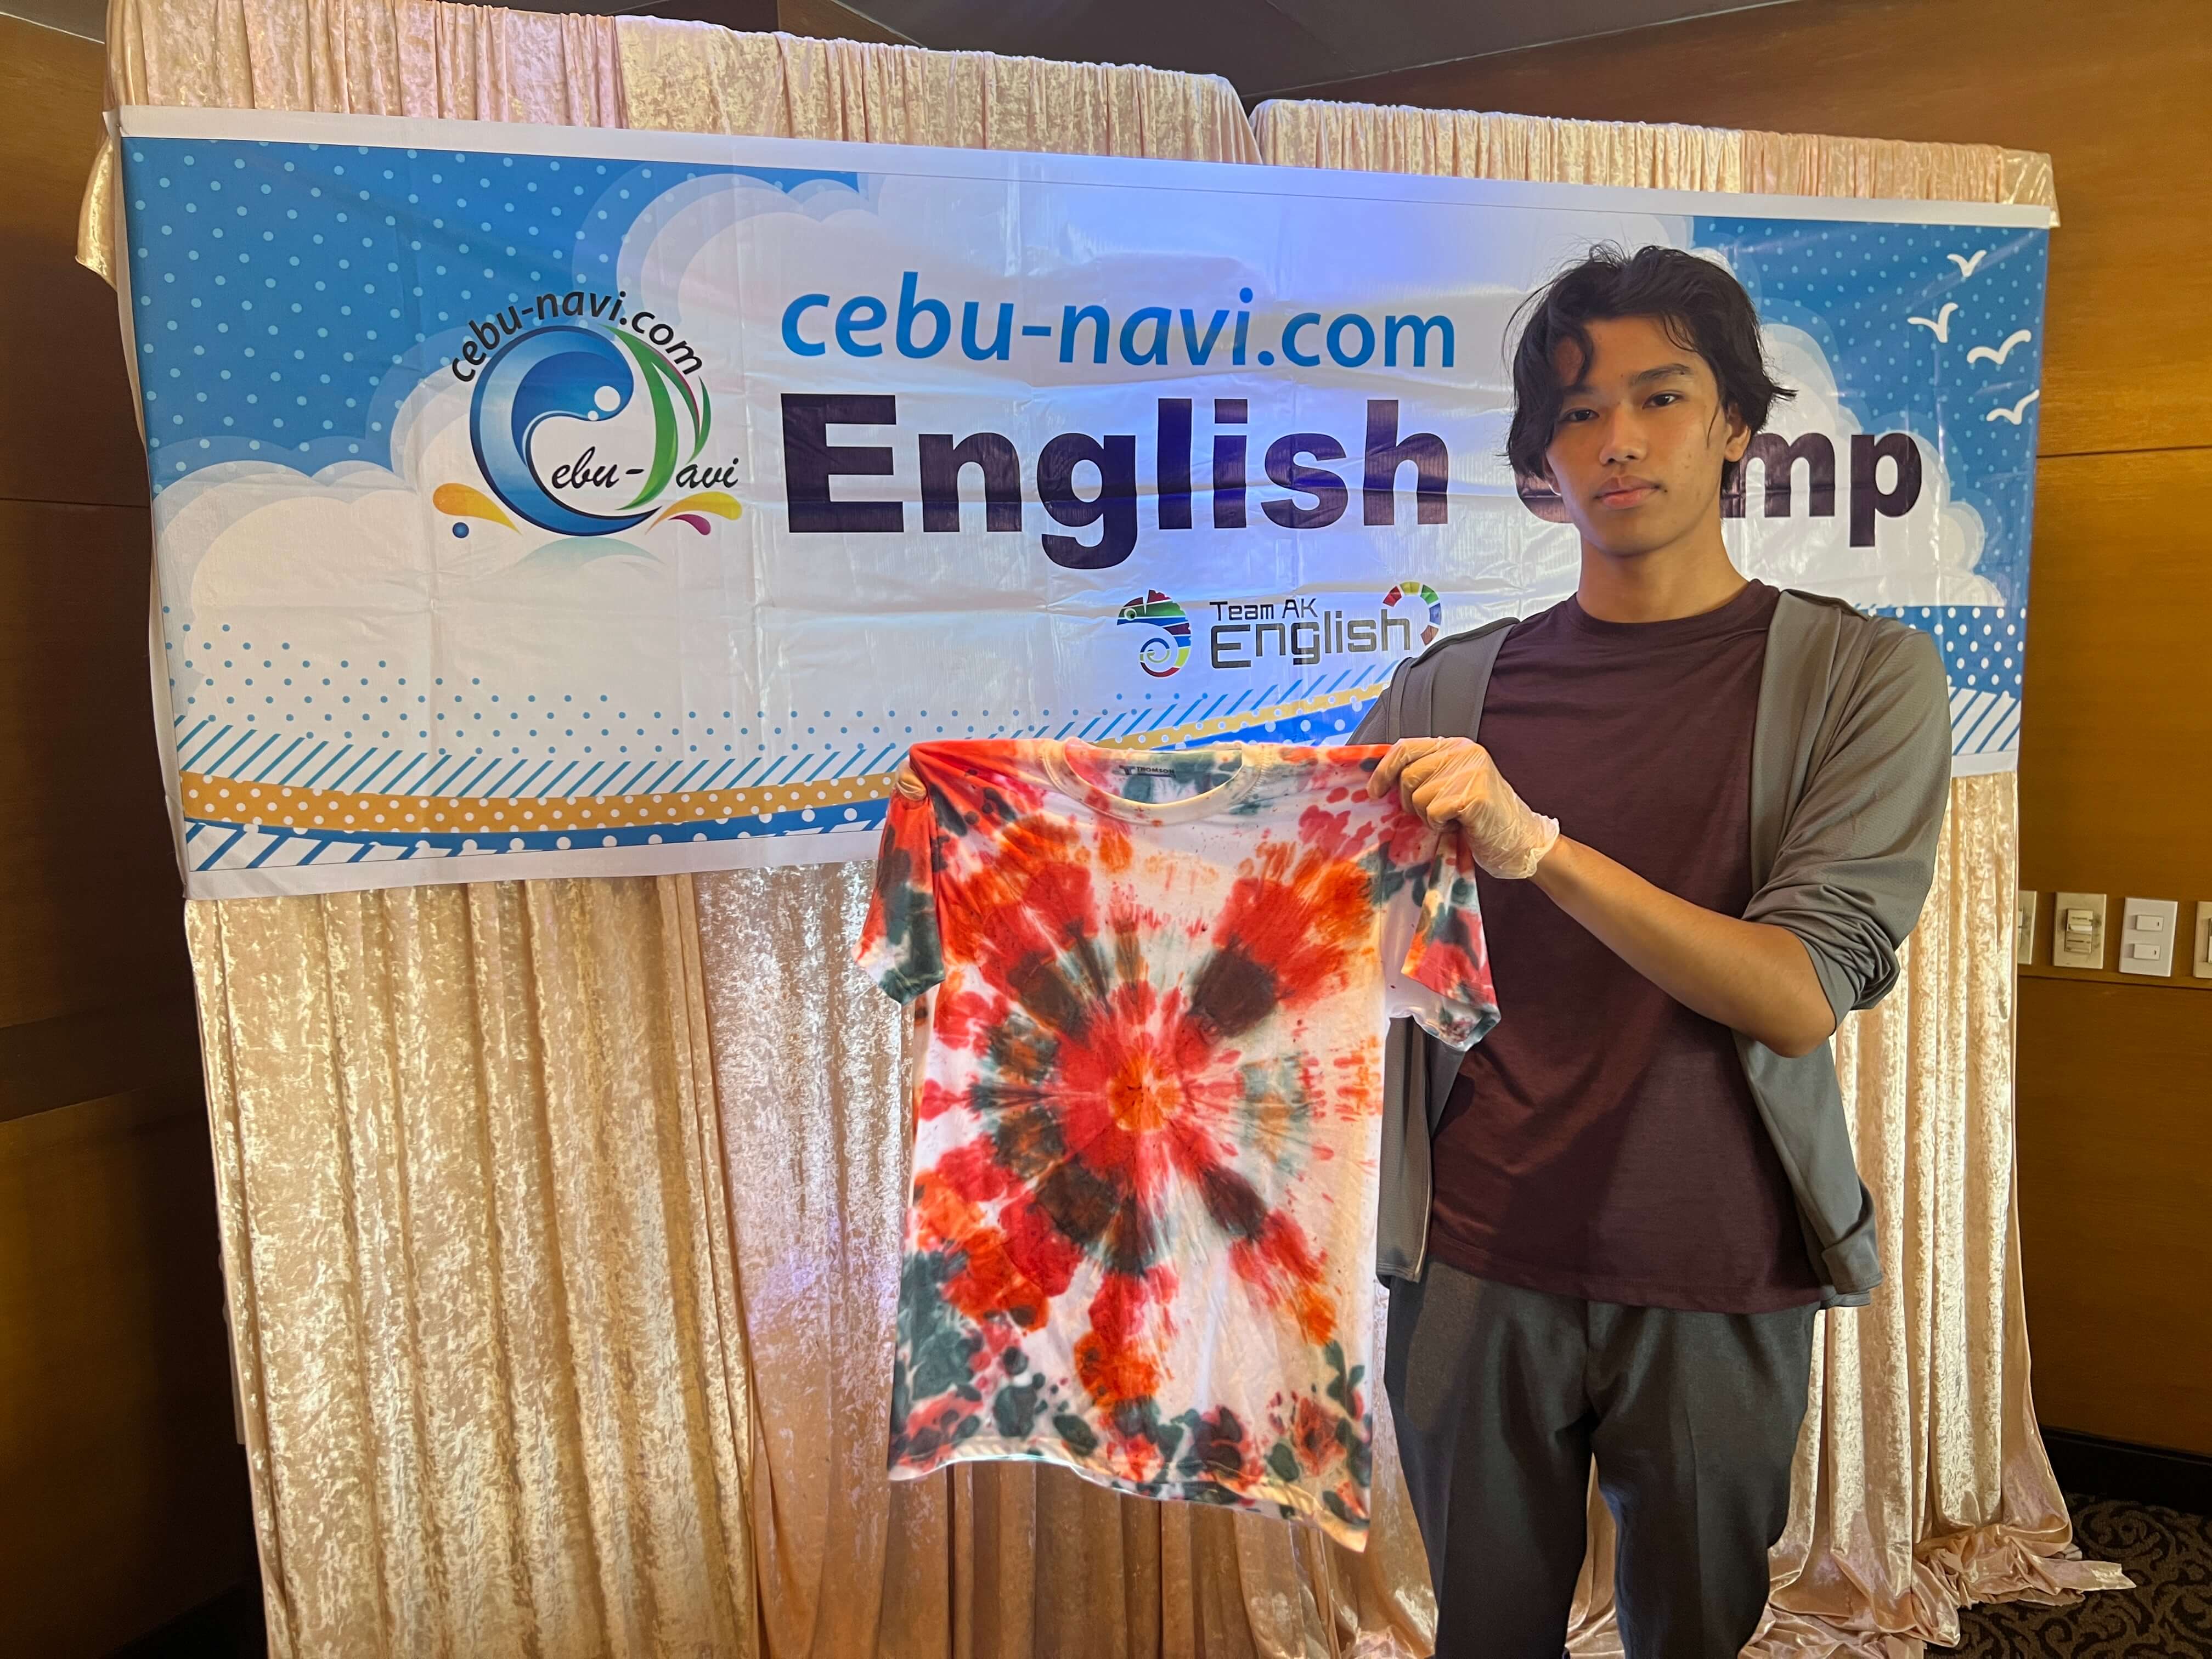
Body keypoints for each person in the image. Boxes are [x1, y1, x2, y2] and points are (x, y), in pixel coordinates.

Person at [1355, 245, 1953, 1657]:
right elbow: (1299, 916)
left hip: (1716, 1256)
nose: (1617, 439)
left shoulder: (1861, 679)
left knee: (1692, 1628)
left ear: (1737, 423)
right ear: (1540, 462)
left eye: (1662, 396)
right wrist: (1024, 853)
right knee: (1484, 1630)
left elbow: (1795, 994)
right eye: (1576, 413)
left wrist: (1539, 849)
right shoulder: (1446, 691)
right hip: (1474, 1255)